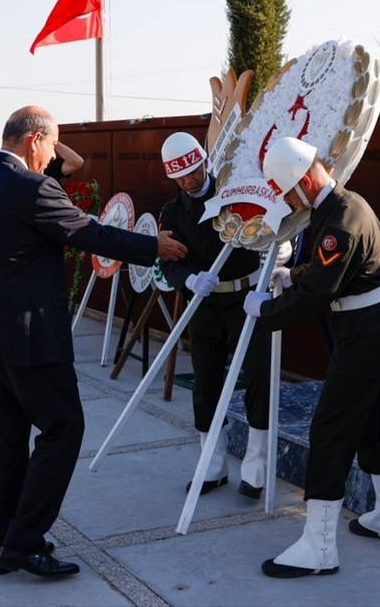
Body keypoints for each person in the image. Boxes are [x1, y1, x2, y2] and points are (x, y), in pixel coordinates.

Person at [0, 105, 186, 581]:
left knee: (9, 442)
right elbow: (88, 233)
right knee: (63, 430)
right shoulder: (32, 188)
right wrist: (151, 245)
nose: (54, 155)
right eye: (50, 145)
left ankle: (3, 542)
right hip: (32, 340)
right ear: (35, 141)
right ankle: (24, 542)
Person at [244, 136, 380, 578]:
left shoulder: (340, 219)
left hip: (364, 335)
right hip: (366, 330)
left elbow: (320, 292)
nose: (288, 202)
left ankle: (318, 548)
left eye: (288, 192)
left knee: (329, 432)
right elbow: (327, 272)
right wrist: (293, 272)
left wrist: (264, 308)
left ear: (305, 179)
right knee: (367, 425)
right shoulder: (341, 205)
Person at [158, 132, 275, 499]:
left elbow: (268, 223)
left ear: (203, 161)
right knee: (205, 381)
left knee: (259, 375)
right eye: (180, 177)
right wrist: (189, 278)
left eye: (192, 171)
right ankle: (213, 464)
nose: (188, 181)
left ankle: (256, 467)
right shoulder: (173, 211)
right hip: (205, 303)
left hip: (247, 297)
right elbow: (168, 259)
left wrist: (279, 248)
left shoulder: (234, 190)